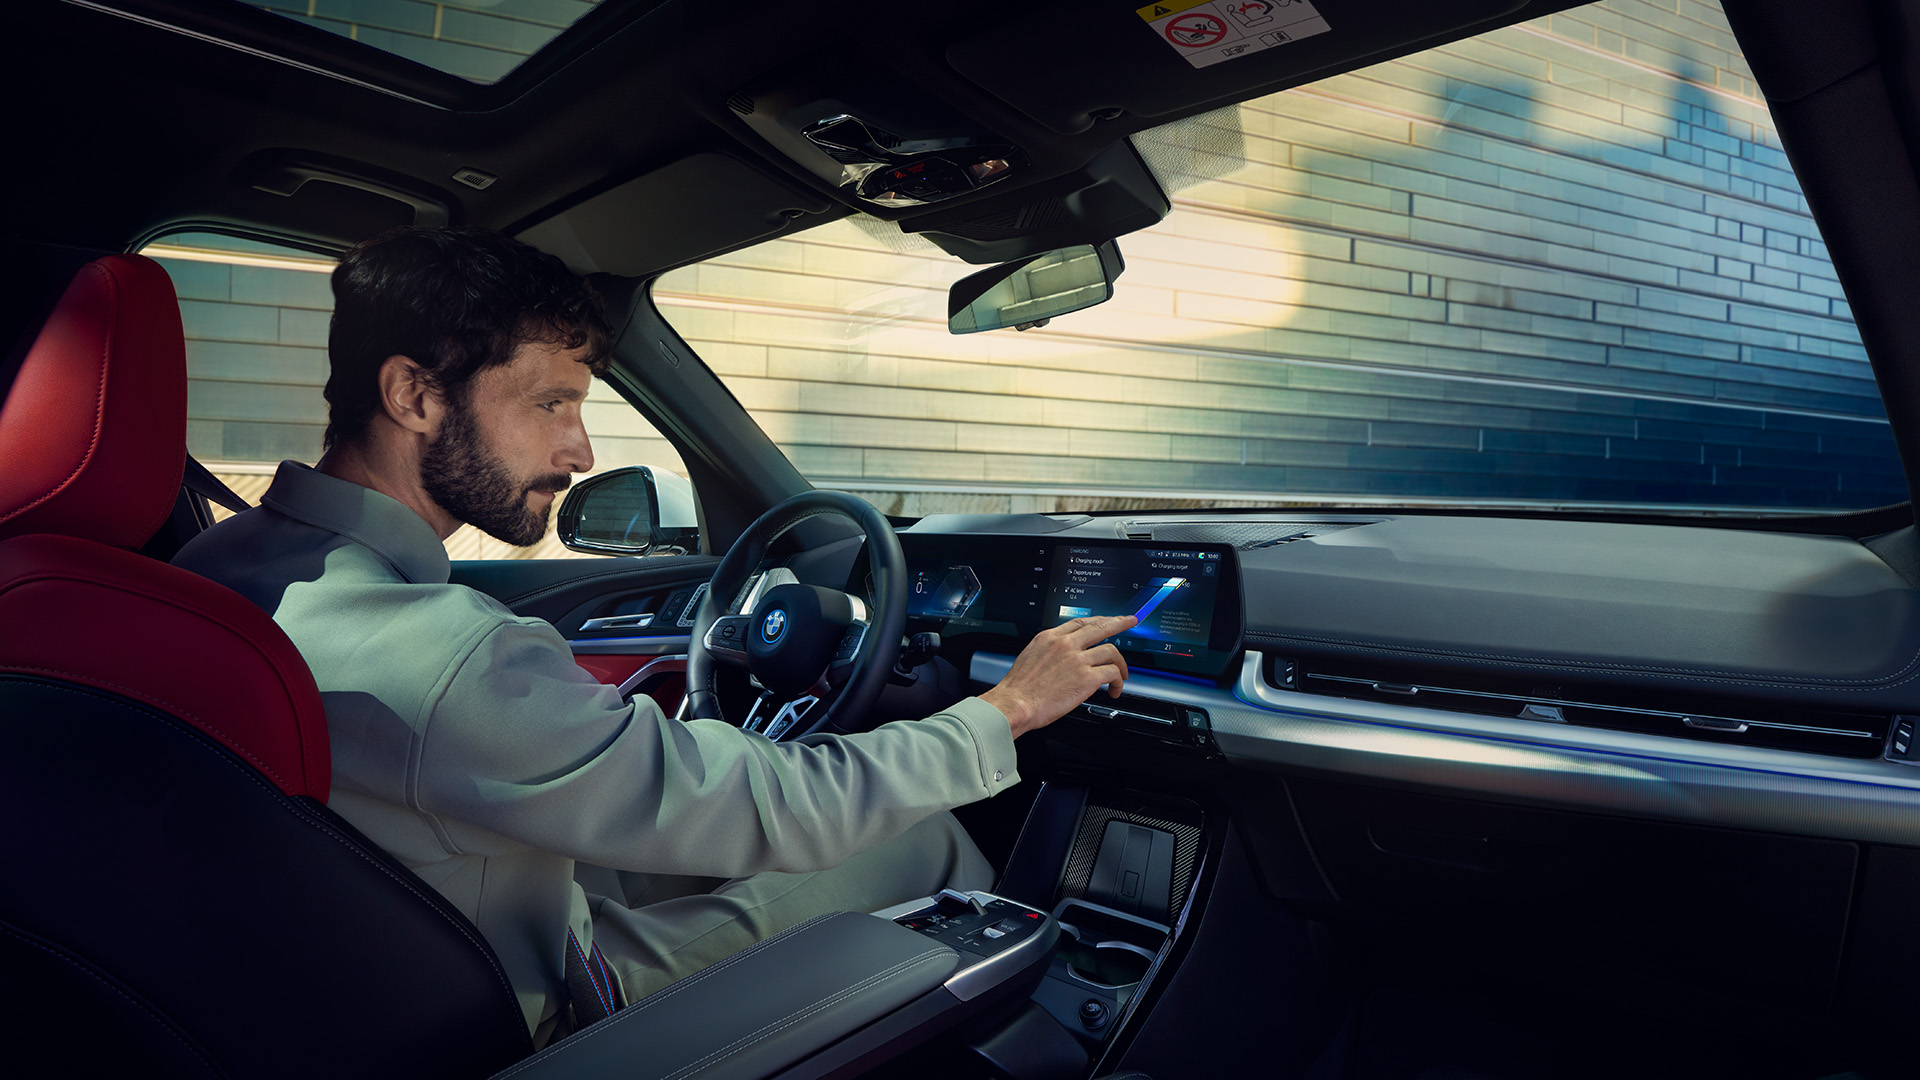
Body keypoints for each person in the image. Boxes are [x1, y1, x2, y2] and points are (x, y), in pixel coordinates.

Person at [173, 225, 1133, 1045]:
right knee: (918, 843)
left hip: (372, 976)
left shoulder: (211, 574)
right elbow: (769, 805)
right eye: (551, 402)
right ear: (415, 396)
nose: (581, 450)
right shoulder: (442, 652)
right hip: (533, 1018)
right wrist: (1004, 712)